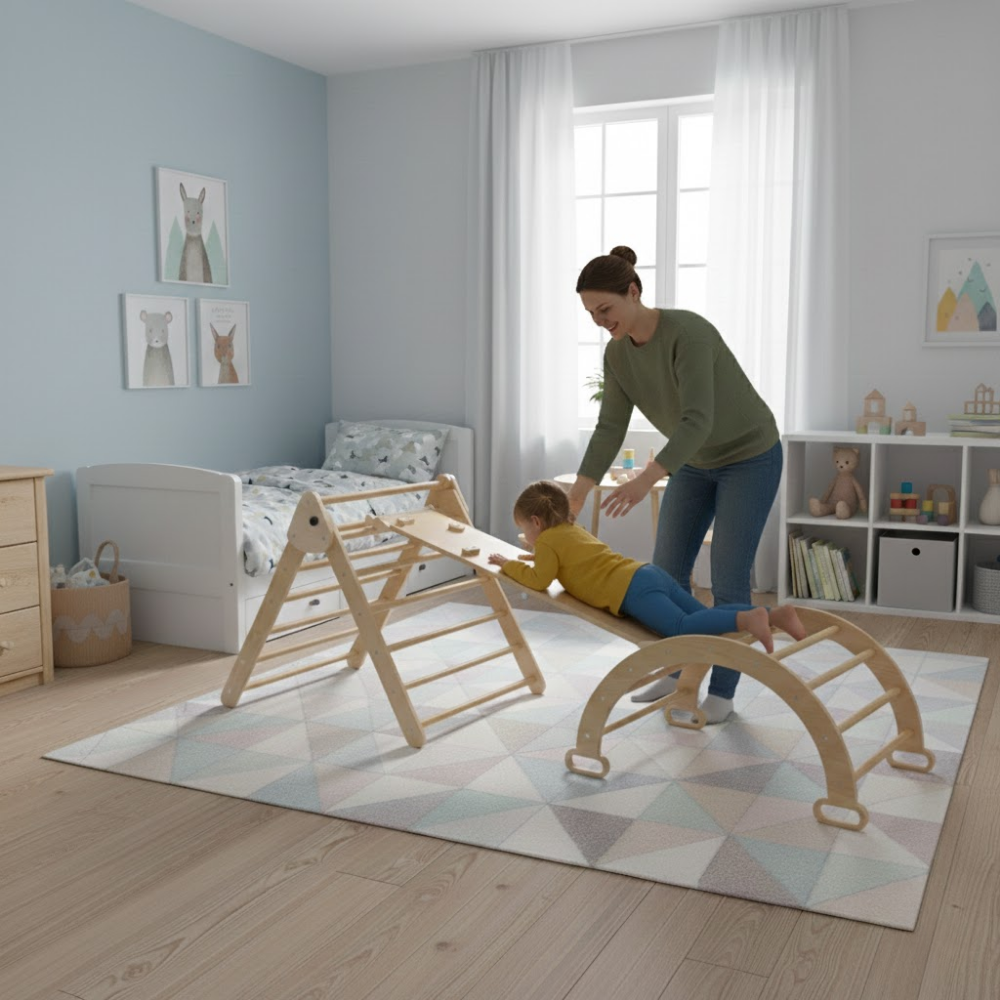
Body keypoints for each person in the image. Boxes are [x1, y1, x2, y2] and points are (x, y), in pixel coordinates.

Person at [564, 246, 783, 723]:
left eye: (606, 309)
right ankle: (676, 669)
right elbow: (608, 428)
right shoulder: (617, 355)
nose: (600, 320)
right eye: (590, 313)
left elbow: (698, 419)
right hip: (695, 462)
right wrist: (578, 494)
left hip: (750, 457)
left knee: (727, 579)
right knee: (663, 576)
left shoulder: (690, 333)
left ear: (633, 292)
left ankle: (722, 692)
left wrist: (647, 478)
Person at [488, 481, 805, 676]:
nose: (527, 539)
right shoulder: (571, 530)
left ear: (536, 522)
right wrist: (536, 555)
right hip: (646, 573)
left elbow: (540, 579)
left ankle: (748, 620)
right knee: (703, 618)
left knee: (680, 630)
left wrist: (507, 565)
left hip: (631, 591)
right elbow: (565, 560)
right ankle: (774, 614)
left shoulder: (546, 542)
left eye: (526, 531)